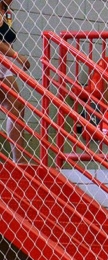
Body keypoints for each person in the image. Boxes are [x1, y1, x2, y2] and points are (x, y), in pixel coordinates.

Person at [0, 0, 31, 153]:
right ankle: (17, 161)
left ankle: (17, 161)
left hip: (5, 65)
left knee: (17, 106)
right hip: (3, 61)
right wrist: (18, 57)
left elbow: (7, 39)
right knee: (14, 104)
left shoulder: (7, 11)